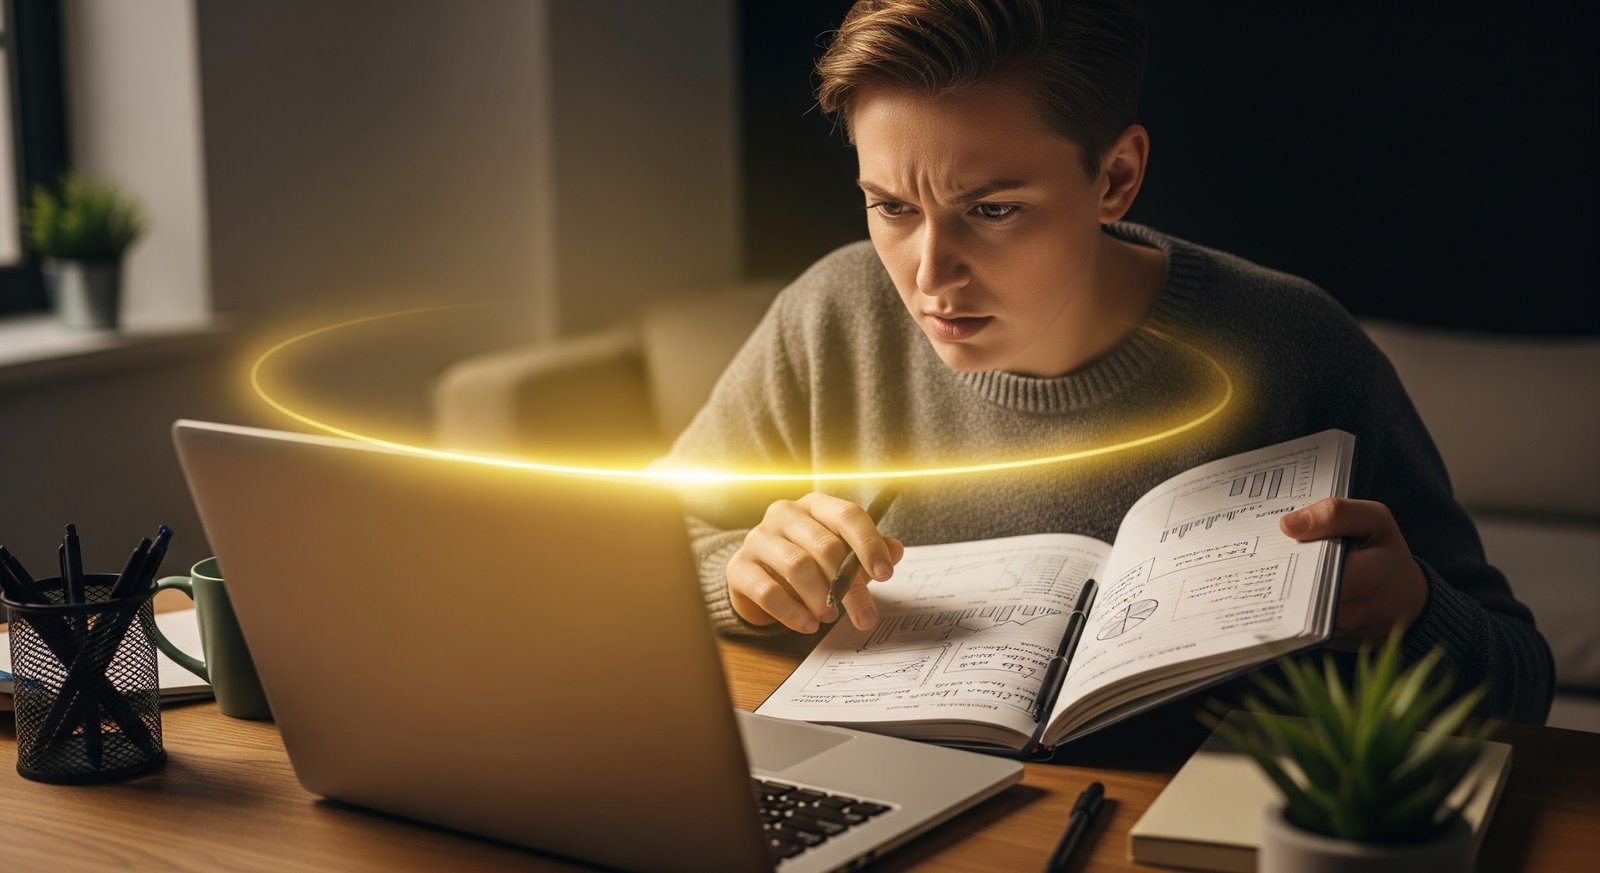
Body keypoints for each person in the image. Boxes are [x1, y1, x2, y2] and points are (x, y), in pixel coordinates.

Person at [661, 0, 1552, 723]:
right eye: (891, 207)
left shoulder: (1298, 348)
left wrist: (1409, 615)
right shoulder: (833, 314)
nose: (929, 276)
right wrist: (741, 575)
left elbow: (1522, 677)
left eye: (994, 210)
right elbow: (629, 550)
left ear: (1117, 178)